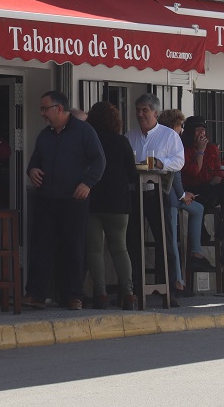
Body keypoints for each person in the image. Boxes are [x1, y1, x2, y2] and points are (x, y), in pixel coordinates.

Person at [23, 90, 105, 310]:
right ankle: (36, 293)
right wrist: (32, 171)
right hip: (47, 199)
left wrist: (87, 183)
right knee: (40, 246)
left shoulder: (84, 131)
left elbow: (99, 160)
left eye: (44, 109)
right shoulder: (45, 135)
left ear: (59, 108)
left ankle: (73, 296)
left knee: (73, 248)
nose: (42, 113)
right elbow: (34, 162)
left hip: (73, 199)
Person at [125, 93, 185, 305]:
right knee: (132, 241)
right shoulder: (130, 136)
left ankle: (168, 290)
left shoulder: (168, 135)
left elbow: (179, 161)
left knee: (165, 241)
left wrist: (160, 163)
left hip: (158, 193)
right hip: (135, 193)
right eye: (138, 110)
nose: (140, 114)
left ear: (155, 113)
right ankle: (135, 288)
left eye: (145, 111)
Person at [85, 101, 136, 310]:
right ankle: (128, 294)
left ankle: (101, 295)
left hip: (93, 200)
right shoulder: (122, 142)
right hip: (118, 202)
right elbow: (132, 173)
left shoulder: (88, 140)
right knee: (120, 248)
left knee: (94, 250)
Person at [158, 110, 209, 294]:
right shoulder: (174, 141)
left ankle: (196, 251)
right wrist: (182, 195)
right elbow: (177, 172)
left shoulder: (160, 138)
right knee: (171, 238)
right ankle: (178, 279)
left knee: (198, 208)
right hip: (171, 196)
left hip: (171, 194)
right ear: (174, 126)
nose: (181, 130)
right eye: (180, 126)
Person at [181, 116, 224, 242]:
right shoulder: (183, 149)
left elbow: (219, 172)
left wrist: (214, 181)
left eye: (203, 130)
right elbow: (194, 172)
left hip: (209, 187)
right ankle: (200, 231)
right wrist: (200, 151)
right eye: (198, 130)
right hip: (191, 189)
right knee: (203, 197)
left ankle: (223, 224)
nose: (201, 133)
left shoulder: (212, 149)